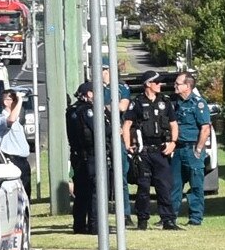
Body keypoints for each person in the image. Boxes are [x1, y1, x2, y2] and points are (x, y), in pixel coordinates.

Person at [122, 70, 181, 231]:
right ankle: (142, 220)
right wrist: (128, 146)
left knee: (164, 186)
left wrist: (173, 143)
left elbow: (174, 124)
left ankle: (168, 220)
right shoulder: (137, 103)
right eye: (157, 82)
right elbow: (126, 125)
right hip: (144, 152)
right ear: (148, 84)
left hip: (161, 150)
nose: (160, 85)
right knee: (143, 187)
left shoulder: (166, 102)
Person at [66, 82, 111, 235]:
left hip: (78, 156)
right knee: (96, 191)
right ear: (89, 94)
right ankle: (95, 226)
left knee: (82, 193)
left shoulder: (72, 110)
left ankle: (79, 225)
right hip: (92, 156)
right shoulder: (88, 111)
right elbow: (101, 129)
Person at [171, 72, 211, 226]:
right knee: (174, 185)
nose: (175, 86)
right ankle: (170, 217)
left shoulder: (198, 103)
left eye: (177, 84)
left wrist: (198, 150)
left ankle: (195, 218)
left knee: (195, 185)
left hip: (192, 149)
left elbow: (205, 129)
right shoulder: (176, 103)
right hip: (179, 149)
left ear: (187, 86)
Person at [102, 62, 134, 227]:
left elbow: (123, 106)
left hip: (116, 136)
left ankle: (125, 213)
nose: (100, 73)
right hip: (99, 137)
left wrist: (102, 106)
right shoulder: (92, 87)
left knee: (120, 177)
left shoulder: (121, 87)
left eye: (103, 70)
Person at [0, 89, 32, 199]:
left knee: (26, 193)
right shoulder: (0, 118)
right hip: (12, 161)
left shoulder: (17, 120)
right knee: (16, 195)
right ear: (6, 102)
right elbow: (10, 120)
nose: (17, 102)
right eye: (13, 99)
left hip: (23, 161)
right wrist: (19, 100)